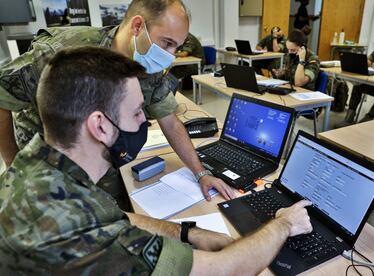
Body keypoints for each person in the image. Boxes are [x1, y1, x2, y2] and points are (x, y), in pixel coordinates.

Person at [0, 47, 312, 275]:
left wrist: (188, 232)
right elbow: (224, 270)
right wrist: (283, 224)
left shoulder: (39, 165)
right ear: (100, 125)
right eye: (138, 112)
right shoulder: (78, 232)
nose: (144, 122)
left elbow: (116, 217)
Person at [0, 0, 234, 205]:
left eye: (177, 47)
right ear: (137, 26)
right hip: (47, 147)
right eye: (167, 43)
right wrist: (12, 163)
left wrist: (201, 173)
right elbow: (2, 95)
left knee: (117, 205)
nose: (171, 55)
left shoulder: (149, 64)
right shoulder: (64, 51)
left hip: (99, 152)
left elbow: (170, 121)